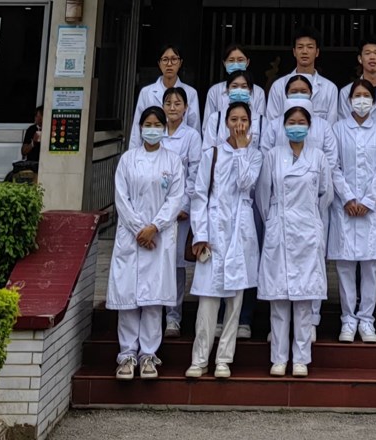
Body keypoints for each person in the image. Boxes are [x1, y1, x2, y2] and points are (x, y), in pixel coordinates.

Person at [108, 107, 186, 381]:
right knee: (128, 298)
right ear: (140, 128)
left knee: (154, 300)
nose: (152, 129)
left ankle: (149, 355)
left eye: (157, 125)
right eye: (147, 124)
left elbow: (175, 198)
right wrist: (139, 229)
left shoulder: (173, 161)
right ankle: (127, 355)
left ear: (164, 128)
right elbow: (121, 198)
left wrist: (154, 227)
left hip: (159, 237)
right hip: (131, 237)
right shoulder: (127, 160)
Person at [186, 99, 262, 380]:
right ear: (226, 123)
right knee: (208, 302)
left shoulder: (255, 155)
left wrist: (242, 151)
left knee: (235, 304)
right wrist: (201, 234)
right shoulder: (212, 153)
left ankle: (224, 359)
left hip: (240, 234)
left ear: (250, 124)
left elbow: (245, 183)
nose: (239, 125)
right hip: (214, 231)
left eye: (244, 120)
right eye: (234, 119)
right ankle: (199, 359)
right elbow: (199, 196)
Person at [258, 102, 333, 377]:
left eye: (302, 122)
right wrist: (274, 221)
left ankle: (301, 358)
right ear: (283, 126)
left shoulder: (318, 157)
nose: (296, 127)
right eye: (292, 122)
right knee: (279, 300)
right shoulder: (272, 156)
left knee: (304, 300)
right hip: (279, 228)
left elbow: (326, 194)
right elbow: (263, 196)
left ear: (309, 126)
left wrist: (311, 220)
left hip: (308, 231)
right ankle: (278, 358)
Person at [329, 77, 376, 343]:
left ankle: (366, 320)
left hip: (371, 209)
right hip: (344, 207)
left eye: (366, 96)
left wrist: (368, 200)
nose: (362, 100)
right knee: (344, 266)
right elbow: (333, 165)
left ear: (374, 101)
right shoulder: (337, 129)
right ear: (349, 100)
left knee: (370, 267)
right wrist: (348, 197)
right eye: (357, 96)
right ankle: (347, 319)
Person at [159, 84, 202, 337]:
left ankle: (173, 317)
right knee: (155, 262)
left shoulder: (192, 136)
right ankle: (154, 311)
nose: (173, 108)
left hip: (179, 212)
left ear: (186, 108)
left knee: (175, 265)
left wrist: (185, 204)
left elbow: (195, 173)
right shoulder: (155, 132)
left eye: (177, 104)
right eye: (168, 104)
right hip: (155, 209)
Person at [268, 31, 338, 124]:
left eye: (310, 47)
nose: (305, 51)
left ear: (317, 52)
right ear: (294, 52)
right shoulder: (278, 86)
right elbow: (271, 123)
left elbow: (331, 125)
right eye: (300, 47)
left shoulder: (330, 88)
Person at [203, 44, 268, 141]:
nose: (236, 64)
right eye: (231, 60)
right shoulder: (214, 91)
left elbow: (261, 125)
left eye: (240, 60)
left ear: (247, 62)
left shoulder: (258, 92)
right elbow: (207, 126)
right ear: (224, 63)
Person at [134, 44, 201, 132]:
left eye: (174, 59)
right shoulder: (146, 92)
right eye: (165, 60)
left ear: (180, 63)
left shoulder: (191, 93)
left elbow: (194, 127)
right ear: (159, 63)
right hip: (152, 140)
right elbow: (137, 127)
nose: (169, 64)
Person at [336, 39, 376, 127]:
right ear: (360, 59)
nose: (372, 57)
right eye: (367, 53)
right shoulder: (346, 92)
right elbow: (343, 127)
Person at [203, 69, 262, 149]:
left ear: (250, 90)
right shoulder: (215, 118)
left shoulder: (261, 121)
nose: (239, 90)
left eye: (244, 87)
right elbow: (208, 151)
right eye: (234, 86)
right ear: (227, 90)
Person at [20, 105, 42, 170]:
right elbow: (23, 152)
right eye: (36, 116)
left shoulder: (50, 129)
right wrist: (33, 143)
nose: (38, 119)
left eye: (40, 116)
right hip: (32, 164)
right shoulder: (31, 129)